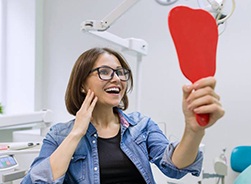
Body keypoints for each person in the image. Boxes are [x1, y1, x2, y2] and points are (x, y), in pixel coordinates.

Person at [21, 47, 224, 184]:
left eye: (120, 72)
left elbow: (175, 168)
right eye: (105, 72)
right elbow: (36, 181)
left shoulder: (141, 125)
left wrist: (193, 131)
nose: (117, 79)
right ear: (82, 84)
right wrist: (77, 133)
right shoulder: (59, 135)